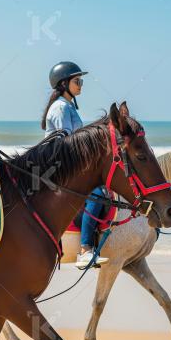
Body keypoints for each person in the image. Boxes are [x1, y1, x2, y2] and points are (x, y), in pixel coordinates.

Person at [42, 61, 110, 269]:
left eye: (81, 81)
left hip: (68, 164)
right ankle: (85, 250)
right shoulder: (61, 108)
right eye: (77, 81)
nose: (81, 84)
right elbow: (67, 145)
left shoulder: (67, 106)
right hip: (61, 167)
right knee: (96, 194)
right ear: (64, 84)